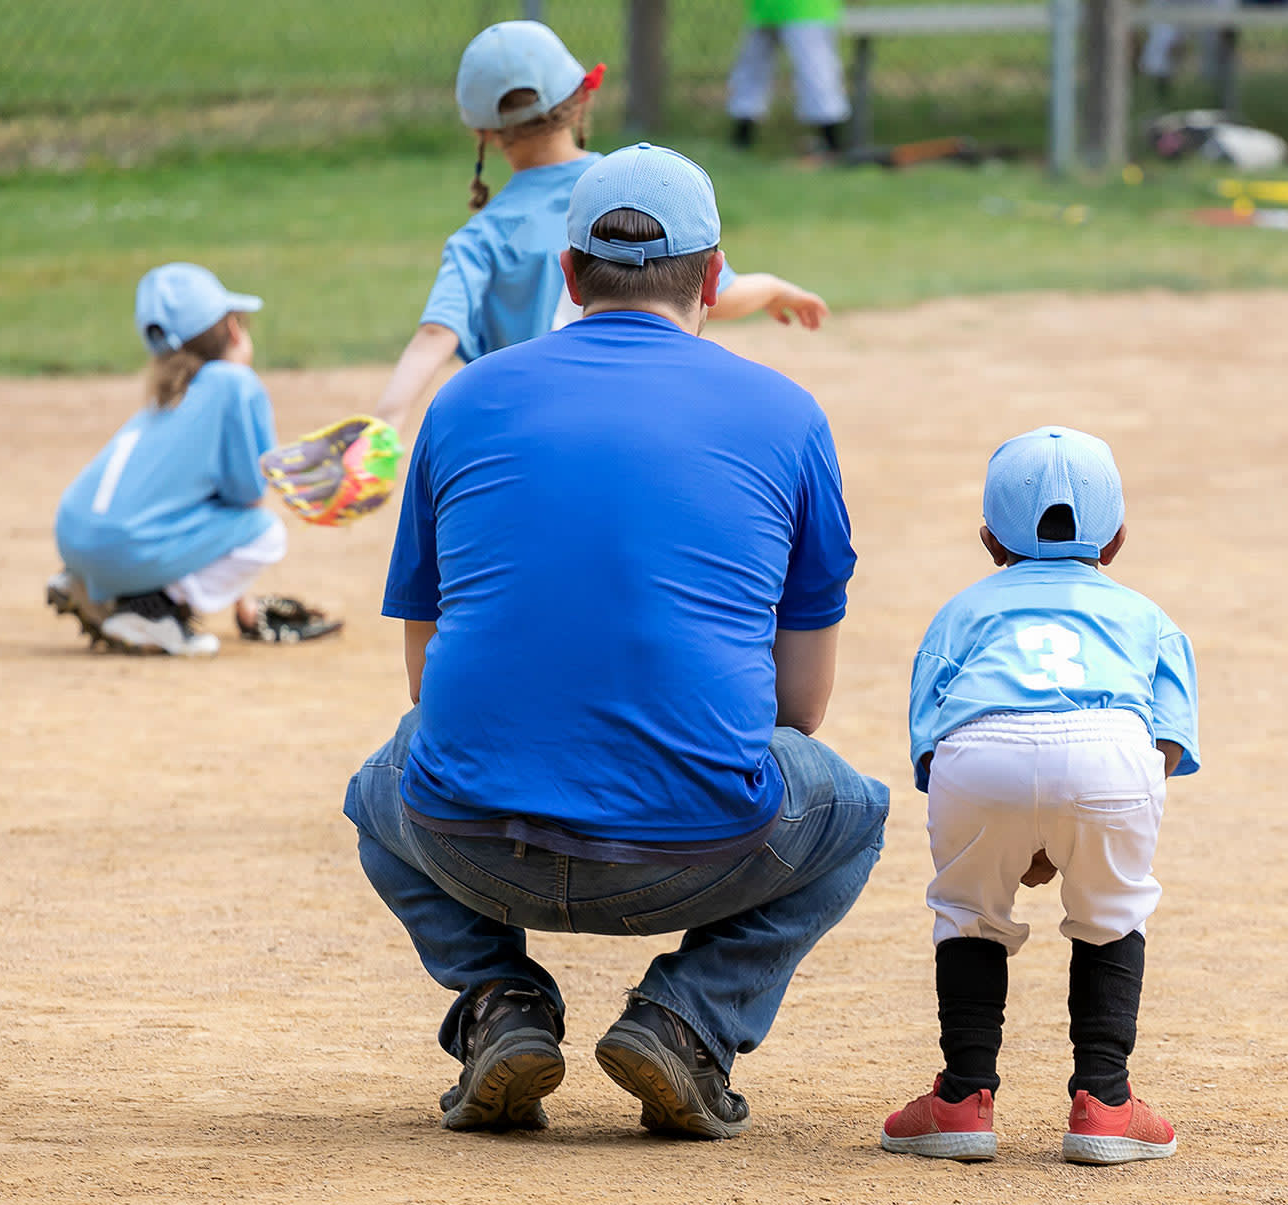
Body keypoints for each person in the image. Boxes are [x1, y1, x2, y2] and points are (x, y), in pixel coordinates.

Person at [345, 143, 889, 1141]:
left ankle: (498, 1001)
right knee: (851, 812)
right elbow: (796, 708)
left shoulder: (464, 400)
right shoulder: (785, 412)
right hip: (694, 849)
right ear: (714, 273)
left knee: (377, 785)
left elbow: (427, 679)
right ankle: (688, 1018)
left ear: (565, 276)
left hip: (470, 841)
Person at [880, 427, 1200, 1165]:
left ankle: (961, 1100)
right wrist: (1075, 835)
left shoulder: (961, 611)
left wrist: (1017, 837)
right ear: (1116, 540)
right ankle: (1106, 1105)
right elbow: (1169, 744)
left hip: (979, 756)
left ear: (990, 541)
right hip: (1112, 751)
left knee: (968, 915)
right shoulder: (1149, 617)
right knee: (1110, 914)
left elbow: (931, 746)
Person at [374, 20, 831, 436]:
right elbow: (716, 294)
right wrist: (771, 288)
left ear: (483, 133)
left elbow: (437, 334)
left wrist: (388, 419)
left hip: (523, 438)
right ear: (581, 101)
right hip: (627, 424)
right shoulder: (631, 194)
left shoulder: (481, 238)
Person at [47, 263, 338, 657]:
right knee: (266, 533)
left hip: (73, 535)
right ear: (233, 330)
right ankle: (150, 611)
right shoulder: (236, 383)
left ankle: (89, 584)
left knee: (168, 519)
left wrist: (244, 604)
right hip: (123, 547)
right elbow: (247, 496)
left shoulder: (168, 392)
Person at [725, 0, 852, 154]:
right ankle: (742, 135)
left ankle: (831, 141)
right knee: (752, 68)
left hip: (807, 9)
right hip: (766, 8)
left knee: (816, 71)